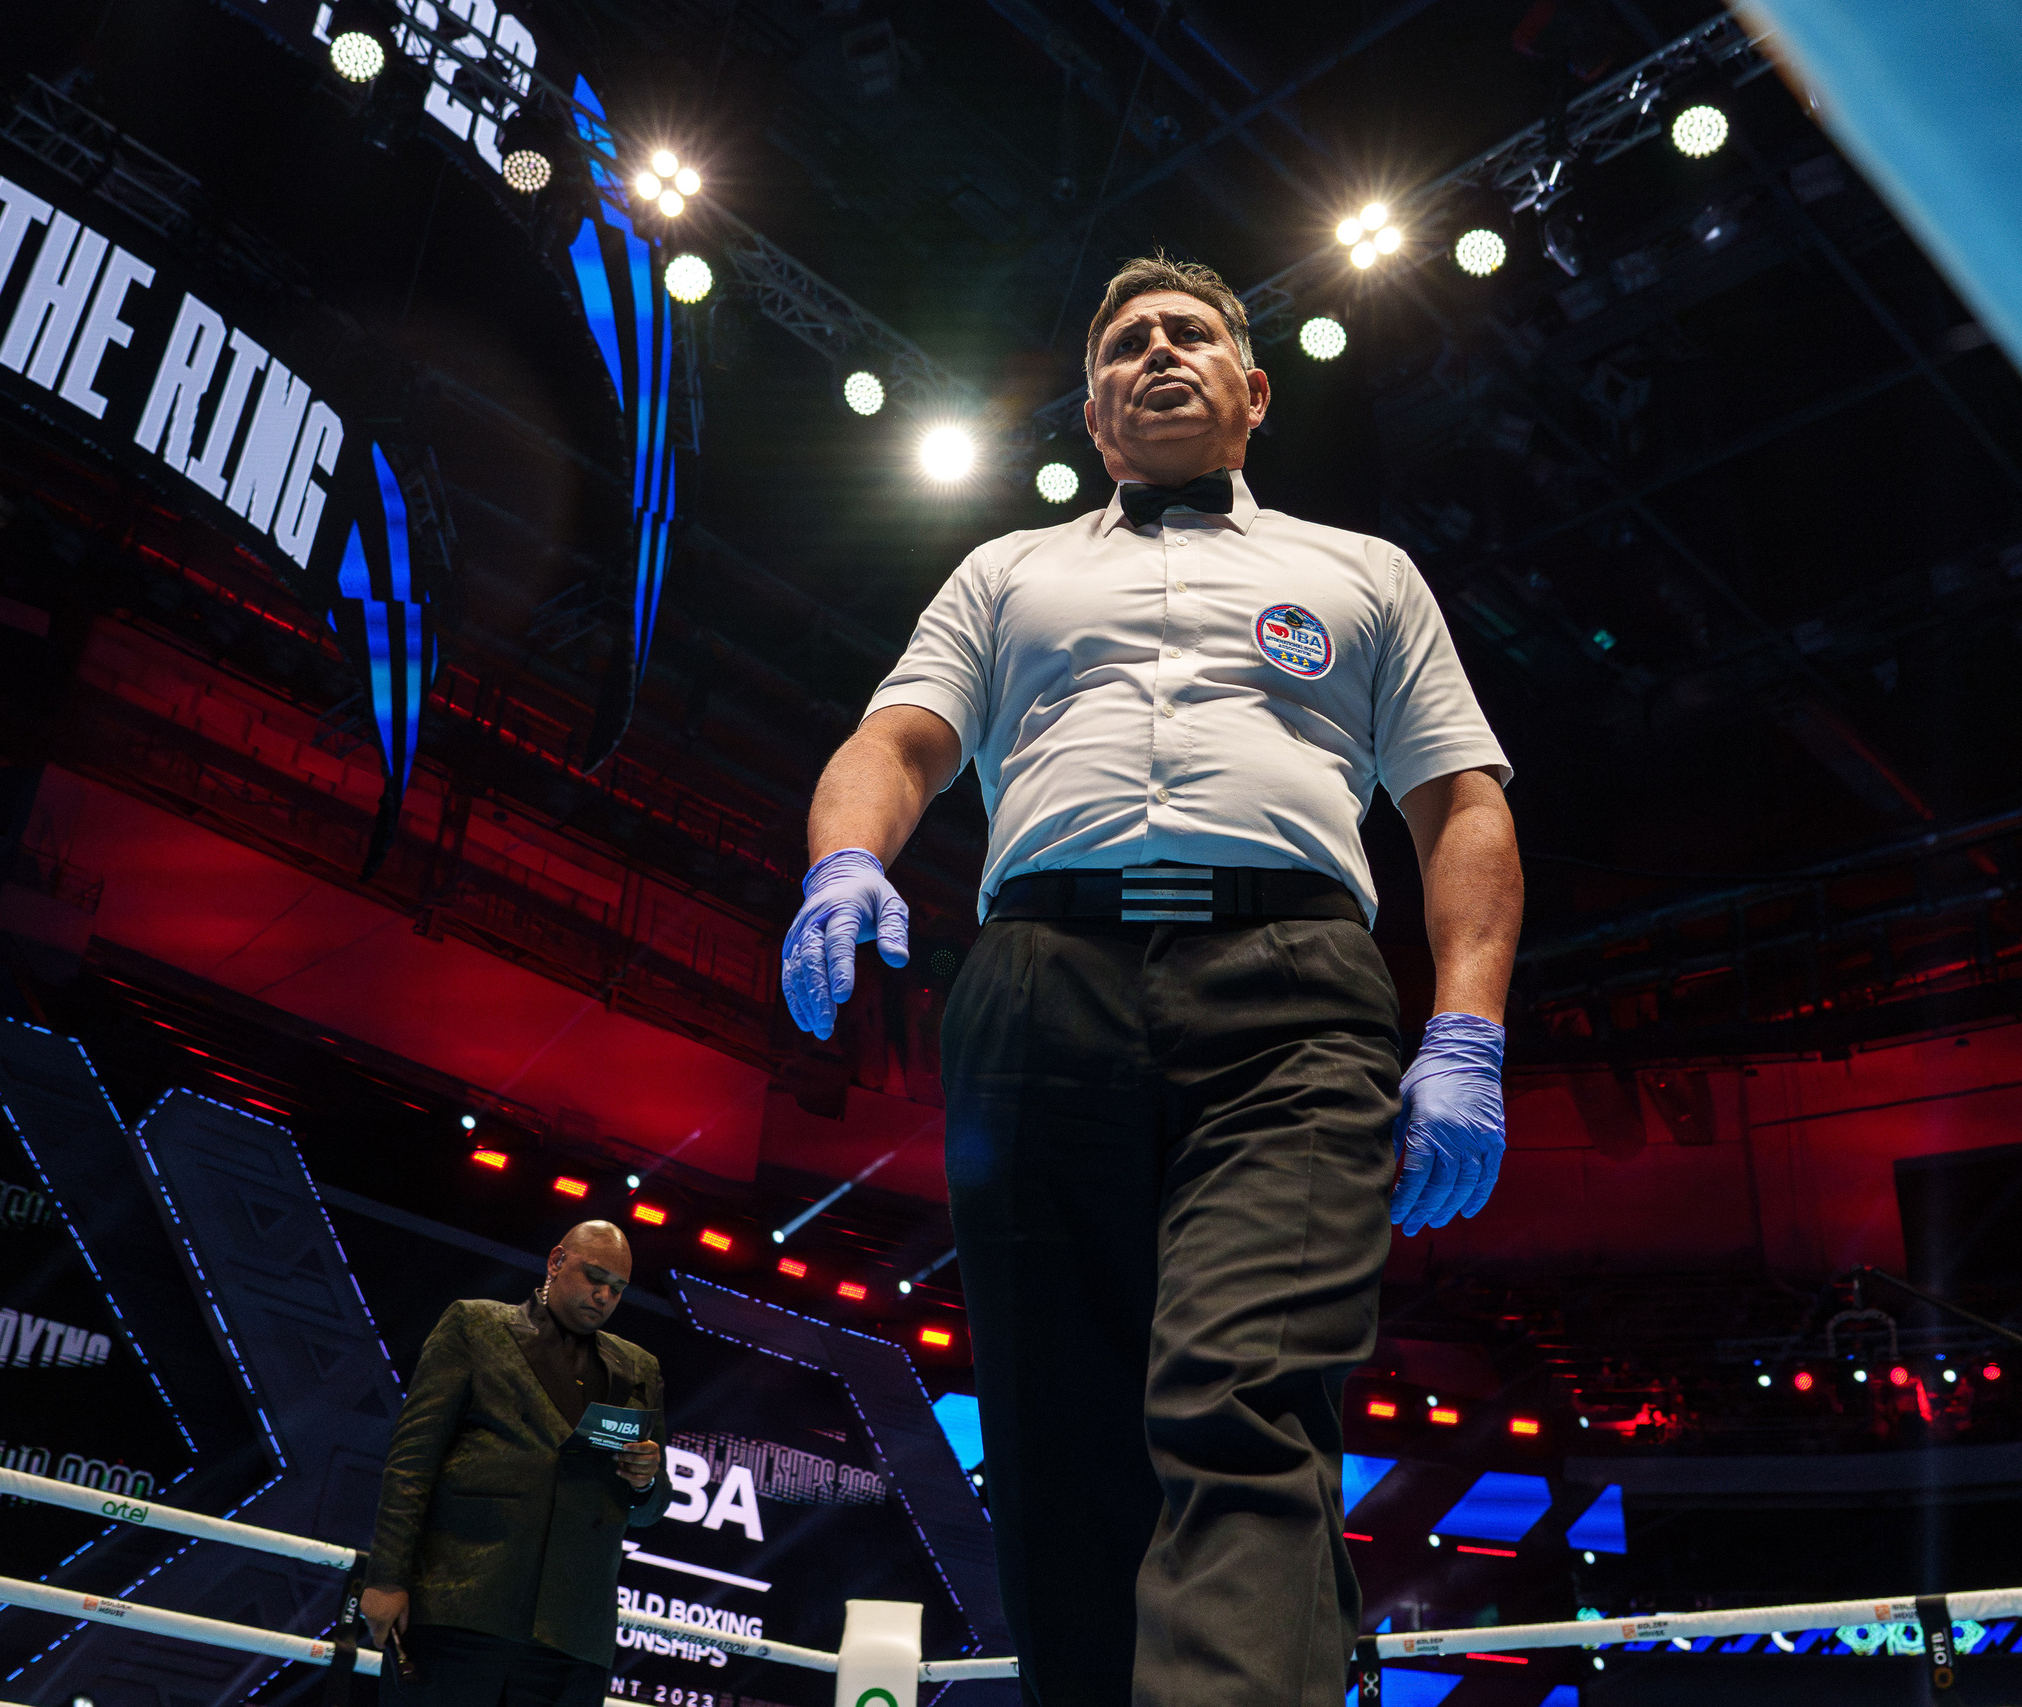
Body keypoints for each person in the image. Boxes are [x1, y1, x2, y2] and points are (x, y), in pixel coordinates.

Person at [780, 254, 1522, 1707]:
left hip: (1294, 994)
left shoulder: (1365, 573)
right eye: (1126, 343)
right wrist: (844, 861)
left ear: (1253, 394)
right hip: (1038, 984)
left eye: (1191, 334)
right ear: (1094, 414)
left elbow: (1463, 803)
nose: (1157, 353)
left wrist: (1467, 1032)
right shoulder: (1007, 570)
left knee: (1241, 1389)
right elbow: (900, 740)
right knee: (1058, 1435)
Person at [360, 1220, 671, 1707]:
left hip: (572, 1634)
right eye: (594, 1277)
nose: (604, 1295)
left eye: (617, 1289)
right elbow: (412, 1460)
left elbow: (652, 1508)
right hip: (462, 1606)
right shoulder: (475, 1325)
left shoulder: (639, 1369)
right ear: (556, 1261)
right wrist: (385, 1577)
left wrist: (647, 1482)